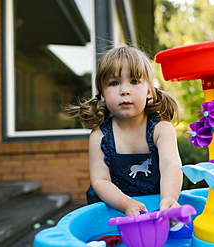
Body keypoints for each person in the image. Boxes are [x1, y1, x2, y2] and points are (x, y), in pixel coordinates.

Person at [69, 45, 183, 216]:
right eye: (114, 83)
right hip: (112, 211)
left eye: (134, 81)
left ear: (149, 91)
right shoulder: (99, 136)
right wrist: (125, 203)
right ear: (102, 95)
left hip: (155, 206)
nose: (124, 90)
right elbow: (100, 180)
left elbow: (171, 165)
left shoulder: (161, 129)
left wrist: (169, 198)